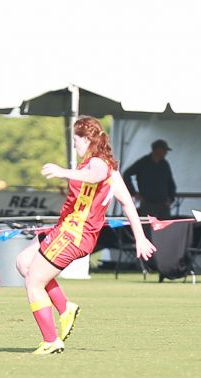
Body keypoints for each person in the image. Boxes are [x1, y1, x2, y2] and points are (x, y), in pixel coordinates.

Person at [16, 116, 156, 354]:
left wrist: (63, 172)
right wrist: (140, 237)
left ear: (87, 140)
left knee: (34, 282)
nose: (74, 145)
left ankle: (51, 340)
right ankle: (66, 308)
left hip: (74, 235)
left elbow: (95, 176)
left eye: (76, 140)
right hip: (65, 228)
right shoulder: (102, 167)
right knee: (23, 262)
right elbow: (127, 204)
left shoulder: (99, 164)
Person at [123, 139, 176, 220]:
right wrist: (133, 193)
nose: (166, 153)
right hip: (147, 203)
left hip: (163, 204)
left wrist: (171, 199)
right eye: (164, 150)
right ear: (157, 150)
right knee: (147, 225)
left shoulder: (165, 164)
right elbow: (126, 174)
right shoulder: (143, 162)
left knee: (165, 226)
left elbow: (171, 183)